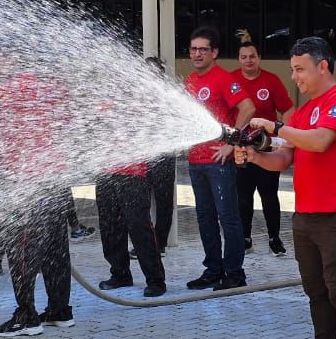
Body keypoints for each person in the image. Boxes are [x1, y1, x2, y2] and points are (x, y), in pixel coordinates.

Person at [235, 36, 336, 339]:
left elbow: (320, 141)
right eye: (292, 69)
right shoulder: (303, 112)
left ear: (323, 66)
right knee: (316, 293)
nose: (294, 77)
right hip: (305, 215)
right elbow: (283, 159)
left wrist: (276, 126)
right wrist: (254, 157)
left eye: (299, 69)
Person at [0, 70, 76, 336]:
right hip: (55, 180)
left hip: (27, 183)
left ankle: (26, 317)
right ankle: (59, 311)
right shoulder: (56, 87)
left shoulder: (12, 87)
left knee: (22, 251)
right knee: (55, 250)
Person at [184, 26, 256, 291]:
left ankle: (235, 273)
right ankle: (213, 270)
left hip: (219, 161)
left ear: (214, 52)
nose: (197, 54)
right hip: (196, 160)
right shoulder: (190, 80)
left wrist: (231, 143)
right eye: (193, 49)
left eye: (203, 49)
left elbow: (248, 107)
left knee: (228, 217)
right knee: (204, 217)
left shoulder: (224, 78)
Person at [233, 37, 293, 256]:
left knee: (269, 196)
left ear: (259, 58)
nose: (248, 60)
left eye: (252, 56)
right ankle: (245, 238)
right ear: (239, 59)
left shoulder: (271, 80)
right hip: (241, 148)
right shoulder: (231, 80)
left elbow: (288, 109)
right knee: (243, 196)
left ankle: (274, 238)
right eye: (244, 57)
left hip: (267, 148)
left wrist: (283, 136)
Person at [95, 159, 168, 298]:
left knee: (139, 226)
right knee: (110, 226)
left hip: (133, 172)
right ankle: (120, 274)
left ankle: (156, 280)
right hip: (104, 172)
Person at [144, 57, 176, 254]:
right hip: (144, 156)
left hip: (164, 155)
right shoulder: (139, 97)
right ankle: (147, 243)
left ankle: (160, 243)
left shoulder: (170, 97)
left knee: (164, 202)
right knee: (142, 202)